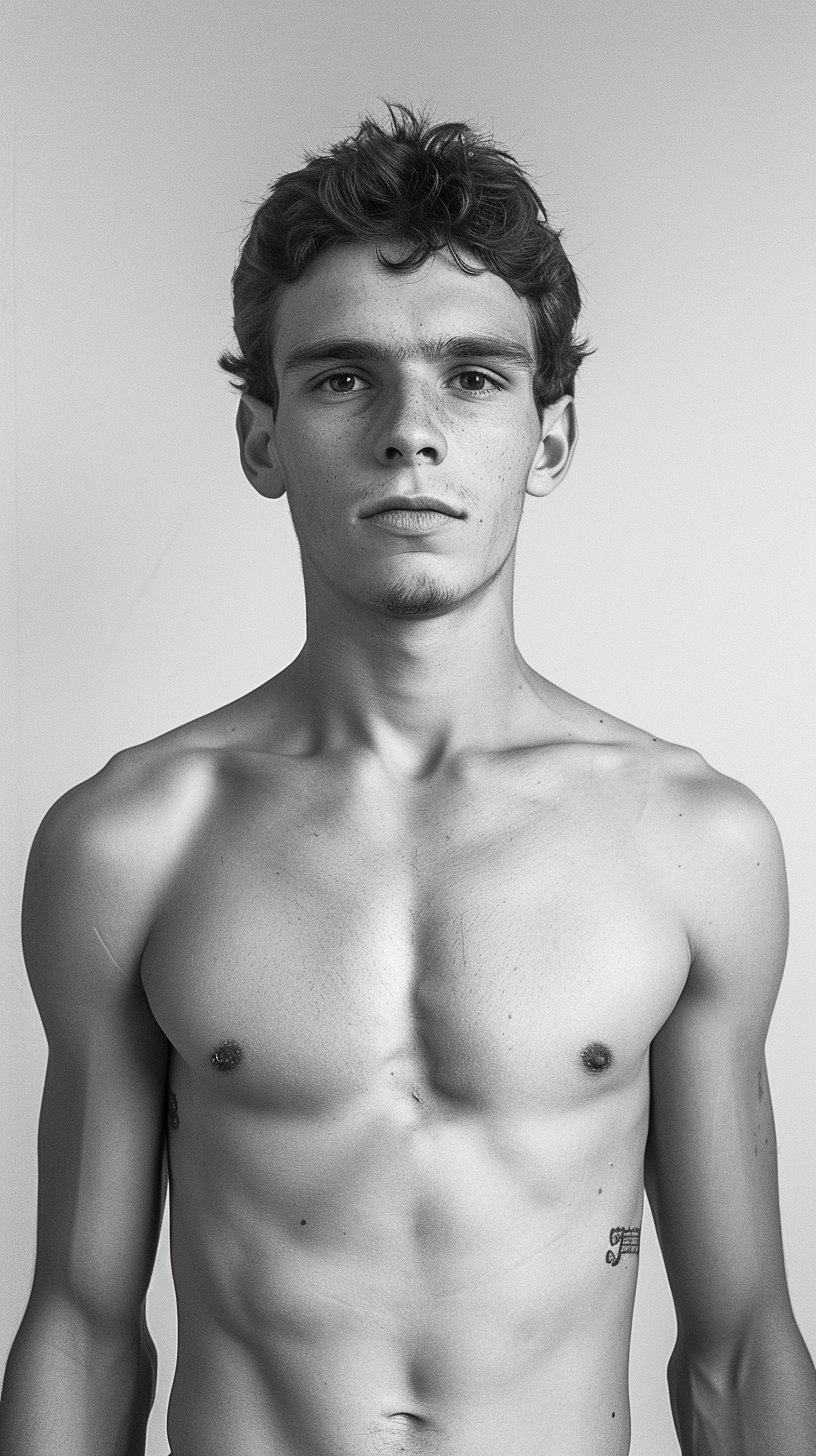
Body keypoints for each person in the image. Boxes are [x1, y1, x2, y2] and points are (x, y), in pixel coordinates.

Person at [0, 102, 813, 1456]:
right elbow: (82, 1326)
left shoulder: (692, 843)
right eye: (340, 378)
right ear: (262, 437)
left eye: (474, 377)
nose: (410, 434)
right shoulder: (130, 840)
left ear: (548, 438)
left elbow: (739, 1346)